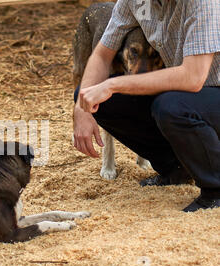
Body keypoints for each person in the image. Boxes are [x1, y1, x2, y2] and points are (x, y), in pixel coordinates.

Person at [72, 0, 219, 212]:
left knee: (171, 106)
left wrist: (112, 84)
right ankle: (175, 169)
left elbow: (193, 77)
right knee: (92, 97)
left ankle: (215, 191)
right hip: (186, 93)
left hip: (212, 88)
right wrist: (81, 108)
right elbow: (102, 55)